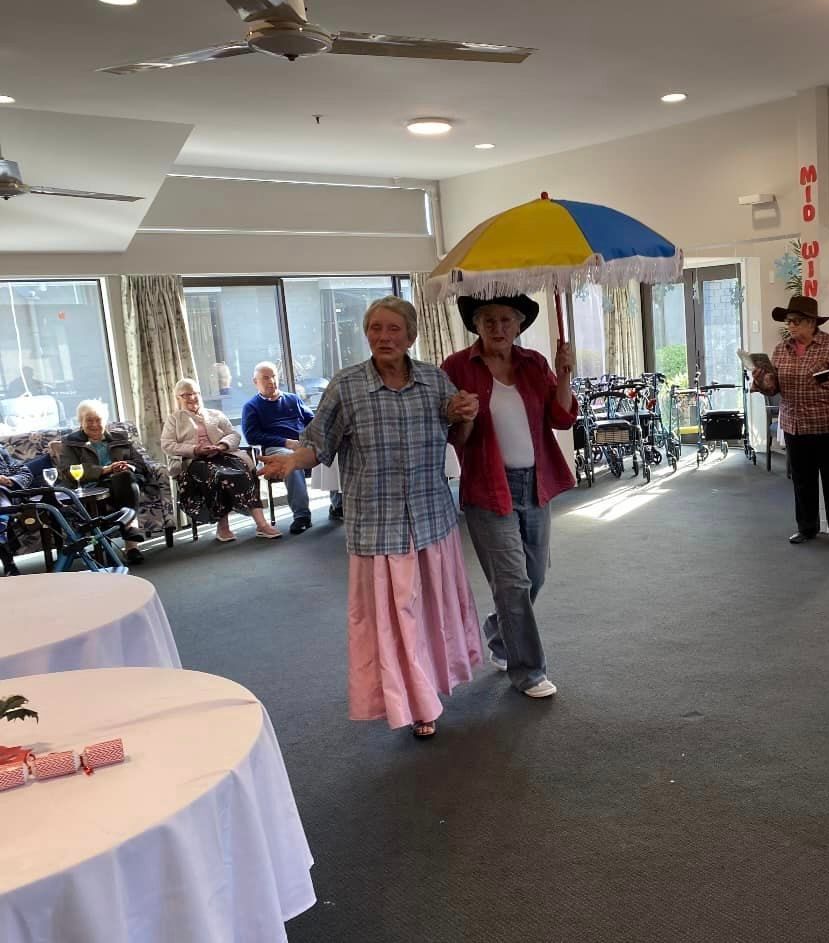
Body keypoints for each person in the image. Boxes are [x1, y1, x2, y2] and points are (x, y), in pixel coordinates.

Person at [261, 296, 484, 738]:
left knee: (429, 612)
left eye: (393, 329)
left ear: (411, 336)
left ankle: (434, 685)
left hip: (430, 519)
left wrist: (467, 414)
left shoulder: (433, 380)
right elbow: (317, 443)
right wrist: (293, 462)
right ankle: (415, 703)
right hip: (378, 529)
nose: (384, 337)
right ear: (366, 334)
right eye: (376, 329)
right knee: (395, 621)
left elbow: (457, 435)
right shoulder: (347, 386)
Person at [442, 294, 578, 699]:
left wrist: (565, 374)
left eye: (505, 320)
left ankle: (498, 632)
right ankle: (529, 671)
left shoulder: (534, 363)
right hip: (488, 487)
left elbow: (561, 417)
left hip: (536, 483)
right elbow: (456, 438)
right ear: (476, 325)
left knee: (534, 577)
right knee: (514, 583)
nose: (497, 328)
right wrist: (460, 416)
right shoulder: (457, 367)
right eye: (488, 320)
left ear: (518, 325)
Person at [751, 295, 829, 548]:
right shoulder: (781, 349)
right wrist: (761, 382)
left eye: (796, 321)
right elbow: (774, 388)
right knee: (802, 480)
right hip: (794, 425)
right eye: (788, 321)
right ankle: (806, 527)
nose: (790, 326)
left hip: (828, 425)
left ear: (812, 323)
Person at [161, 379, 281, 543]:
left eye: (195, 393)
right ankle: (223, 526)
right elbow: (167, 444)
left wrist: (221, 445)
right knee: (217, 475)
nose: (191, 398)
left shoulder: (215, 414)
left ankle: (261, 524)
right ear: (178, 398)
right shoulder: (174, 419)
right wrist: (195, 449)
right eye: (186, 395)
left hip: (223, 454)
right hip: (194, 461)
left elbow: (234, 434)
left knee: (244, 472)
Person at [58, 399, 152, 565]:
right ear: (81, 422)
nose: (94, 424)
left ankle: (131, 547)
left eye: (98, 420)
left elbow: (141, 464)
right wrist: (105, 470)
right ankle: (127, 532)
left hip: (122, 483)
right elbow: (68, 470)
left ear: (105, 421)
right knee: (108, 491)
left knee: (125, 477)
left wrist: (127, 465)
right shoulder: (71, 442)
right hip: (93, 486)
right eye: (89, 420)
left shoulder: (120, 438)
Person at [242, 361, 323, 535]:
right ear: (255, 381)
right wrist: (286, 442)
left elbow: (313, 421)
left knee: (330, 451)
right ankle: (302, 516)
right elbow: (252, 436)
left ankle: (338, 506)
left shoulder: (293, 399)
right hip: (276, 448)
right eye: (266, 378)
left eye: (274, 376)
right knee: (290, 462)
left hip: (303, 443)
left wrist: (313, 437)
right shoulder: (251, 407)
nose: (271, 381)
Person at [0, 445, 32, 575]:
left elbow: (25, 473)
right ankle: (9, 563)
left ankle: (8, 561)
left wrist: (9, 481)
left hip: (6, 496)